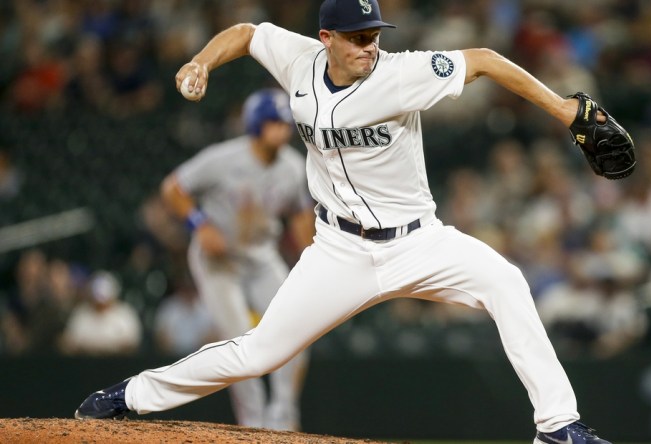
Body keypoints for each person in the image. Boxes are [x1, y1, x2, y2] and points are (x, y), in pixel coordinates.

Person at [75, 1, 612, 442]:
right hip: (339, 252)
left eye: (374, 34)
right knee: (259, 352)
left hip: (419, 242)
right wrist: (200, 62)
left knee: (506, 281)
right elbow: (245, 32)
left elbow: (487, 60)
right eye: (357, 37)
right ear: (327, 38)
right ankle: (129, 396)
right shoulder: (299, 62)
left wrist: (564, 110)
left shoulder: (403, 73)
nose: (369, 46)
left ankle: (558, 428)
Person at [157, 88, 315, 430]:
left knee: (297, 328)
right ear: (256, 124)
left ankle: (283, 416)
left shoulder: (292, 167)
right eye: (275, 122)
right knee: (239, 343)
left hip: (260, 258)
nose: (282, 130)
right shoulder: (223, 158)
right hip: (218, 263)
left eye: (285, 123)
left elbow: (302, 218)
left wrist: (313, 260)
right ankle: (253, 424)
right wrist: (198, 224)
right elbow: (172, 188)